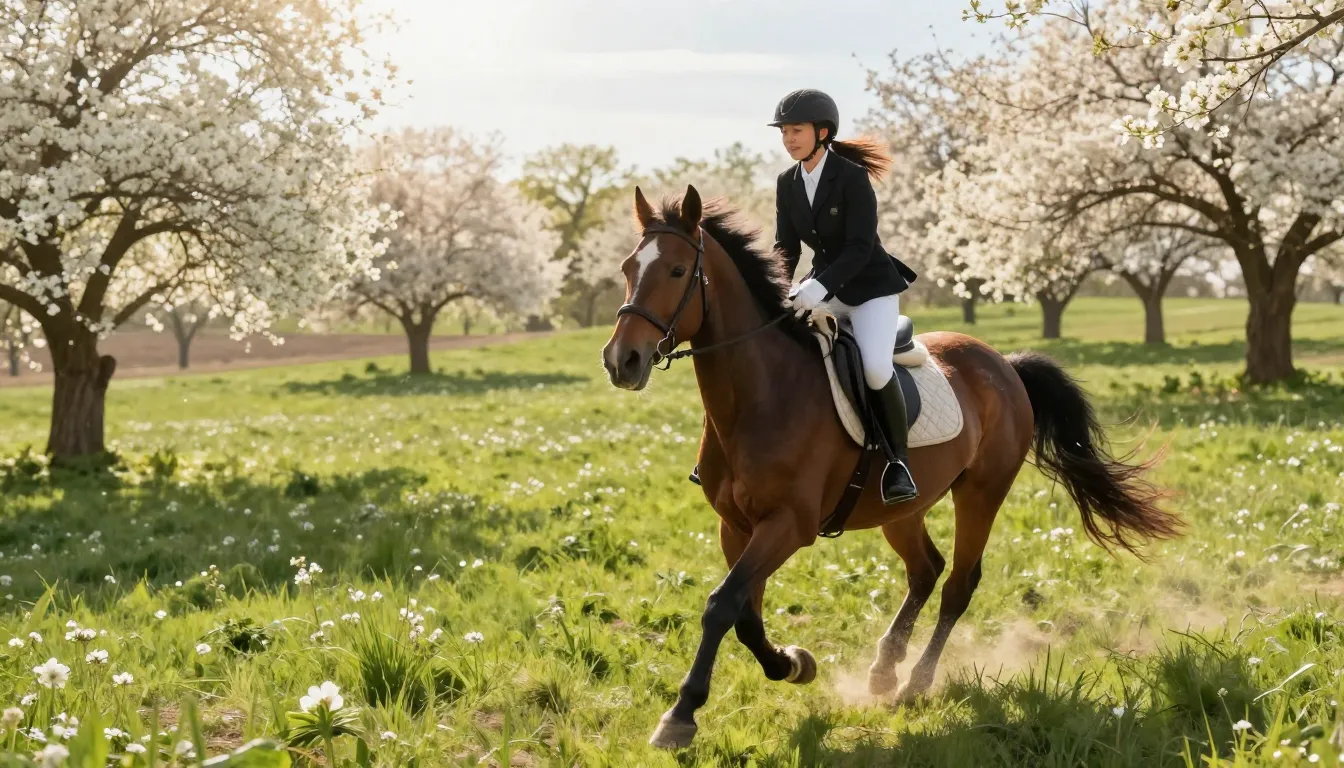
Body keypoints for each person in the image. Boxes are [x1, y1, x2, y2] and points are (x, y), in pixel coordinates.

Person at [689, 88, 920, 505]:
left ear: (823, 132)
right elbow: (787, 246)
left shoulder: (851, 177)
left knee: (874, 369)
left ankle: (897, 462)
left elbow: (860, 247)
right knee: (773, 347)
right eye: (784, 132)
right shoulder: (788, 182)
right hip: (821, 288)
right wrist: (778, 289)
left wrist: (818, 287)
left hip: (870, 291)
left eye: (796, 130)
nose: (789, 139)